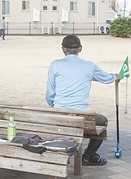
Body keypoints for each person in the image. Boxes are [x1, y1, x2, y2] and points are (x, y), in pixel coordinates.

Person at [46, 35, 121, 166]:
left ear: (63, 49)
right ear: (80, 48)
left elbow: (50, 94)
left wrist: (55, 107)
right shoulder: (89, 66)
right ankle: (89, 155)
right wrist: (116, 76)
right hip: (82, 116)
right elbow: (106, 78)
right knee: (102, 121)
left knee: (66, 119)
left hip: (60, 114)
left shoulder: (55, 65)